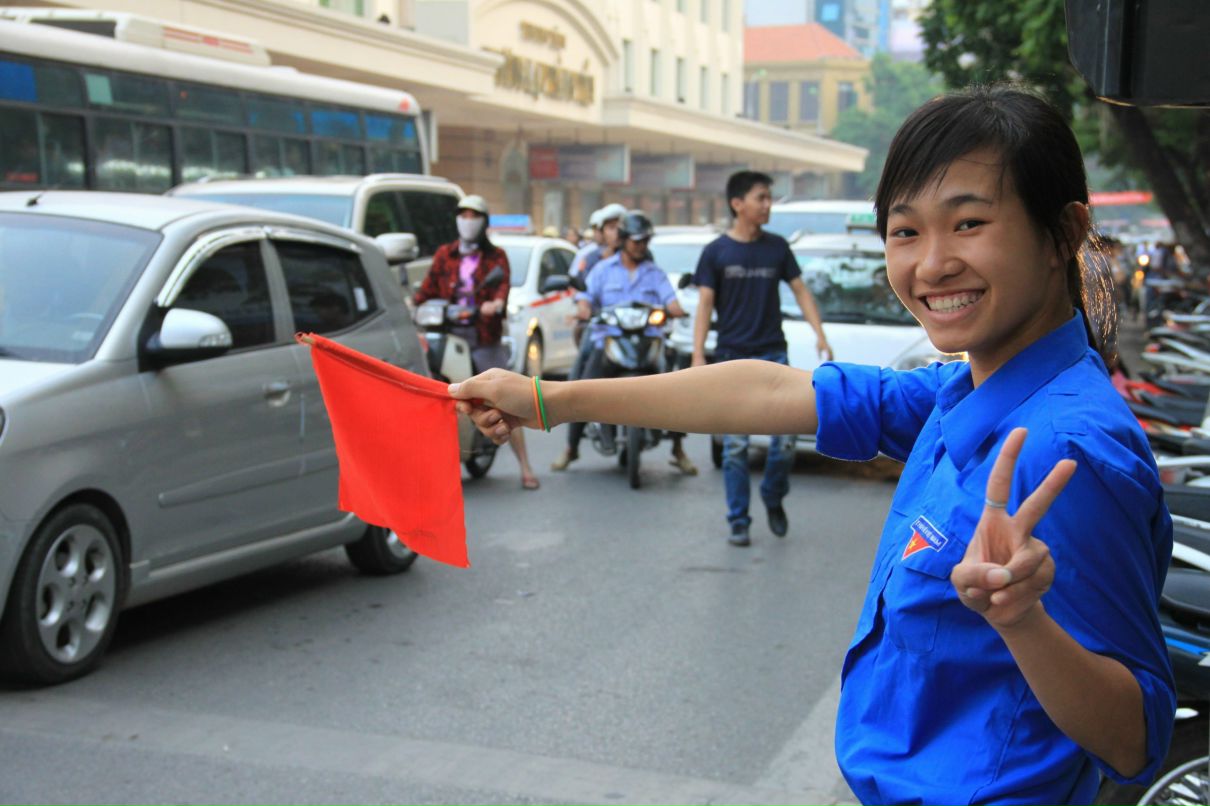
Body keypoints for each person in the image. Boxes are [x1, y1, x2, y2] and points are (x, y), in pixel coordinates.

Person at [450, 85, 1175, 804]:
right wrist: (547, 400)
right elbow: (769, 393)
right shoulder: (962, 392)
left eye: (969, 223)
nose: (931, 265)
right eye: (905, 231)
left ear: (1065, 234)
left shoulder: (1065, 448)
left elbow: (1133, 739)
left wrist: (1023, 621)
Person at [692, 170, 833, 546]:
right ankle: (738, 519)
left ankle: (773, 493)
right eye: (761, 198)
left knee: (784, 443)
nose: (768, 205)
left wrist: (820, 333)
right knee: (735, 446)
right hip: (731, 360)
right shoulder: (716, 252)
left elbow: (801, 291)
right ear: (738, 204)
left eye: (769, 198)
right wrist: (697, 355)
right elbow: (705, 305)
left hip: (773, 354)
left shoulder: (777, 248)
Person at [551, 210, 698, 475]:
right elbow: (585, 296)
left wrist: (676, 309)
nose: (641, 246)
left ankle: (678, 449)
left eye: (645, 241)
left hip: (648, 342)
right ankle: (571, 448)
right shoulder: (603, 270)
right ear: (624, 239)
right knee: (582, 388)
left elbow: (671, 301)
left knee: (674, 388)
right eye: (636, 241)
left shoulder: (655, 274)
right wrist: (584, 308)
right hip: (609, 342)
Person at [413, 194, 540, 490]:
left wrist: (494, 304)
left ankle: (525, 466)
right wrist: (415, 303)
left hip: (483, 336)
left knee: (504, 396)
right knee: (429, 388)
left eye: (474, 216)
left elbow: (502, 289)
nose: (468, 221)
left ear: (483, 222)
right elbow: (427, 289)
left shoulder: (496, 257)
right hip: (448, 332)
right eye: (463, 215)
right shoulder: (445, 254)